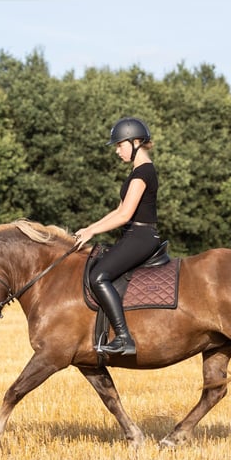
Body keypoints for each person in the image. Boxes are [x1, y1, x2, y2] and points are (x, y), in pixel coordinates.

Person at [74, 117, 160, 357]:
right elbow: (117, 211)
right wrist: (89, 228)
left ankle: (123, 338)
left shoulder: (143, 172)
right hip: (134, 234)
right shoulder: (136, 172)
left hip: (142, 235)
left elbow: (124, 215)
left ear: (135, 142)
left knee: (99, 276)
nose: (116, 150)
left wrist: (92, 231)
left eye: (119, 144)